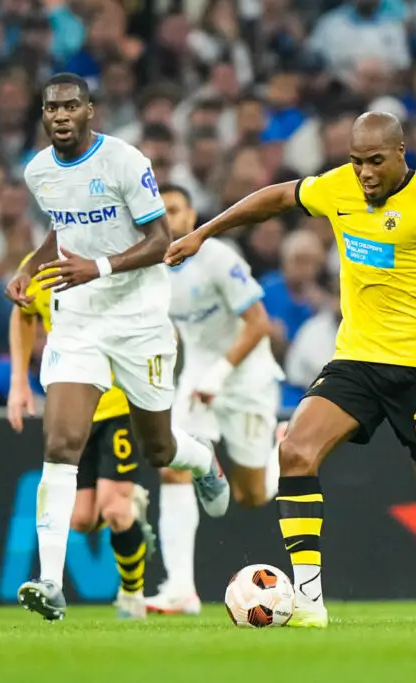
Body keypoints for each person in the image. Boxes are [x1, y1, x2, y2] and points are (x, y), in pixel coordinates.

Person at [167, 111, 416, 628]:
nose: (364, 173)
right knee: (294, 452)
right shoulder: (340, 186)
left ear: (401, 153)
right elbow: (278, 197)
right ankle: (309, 602)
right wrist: (205, 231)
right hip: (357, 360)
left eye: (375, 161)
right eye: (357, 161)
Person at [3, 73, 230, 622]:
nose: (60, 115)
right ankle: (50, 582)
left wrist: (99, 268)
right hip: (77, 320)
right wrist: (32, 267)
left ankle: (203, 460)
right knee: (60, 443)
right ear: (43, 114)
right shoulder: (38, 171)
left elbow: (160, 241)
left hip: (139, 321)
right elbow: (63, 229)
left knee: (160, 450)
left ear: (90, 111)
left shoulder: (125, 162)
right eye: (51, 108)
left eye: (70, 106)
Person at [146, 184, 283, 616]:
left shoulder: (219, 258)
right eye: (160, 211)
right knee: (172, 464)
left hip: (245, 380)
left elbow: (259, 324)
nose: (169, 218)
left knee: (251, 495)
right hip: (196, 381)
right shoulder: (152, 267)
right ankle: (180, 590)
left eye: (175, 209)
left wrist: (219, 375)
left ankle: (283, 447)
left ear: (192, 216)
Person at [6, 249, 158, 620]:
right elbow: (23, 313)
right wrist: (18, 380)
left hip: (118, 402)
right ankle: (131, 510)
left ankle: (132, 594)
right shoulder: (38, 265)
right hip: (71, 407)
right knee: (82, 520)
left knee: (115, 510)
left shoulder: (110, 257)